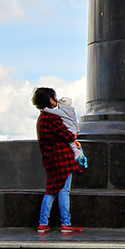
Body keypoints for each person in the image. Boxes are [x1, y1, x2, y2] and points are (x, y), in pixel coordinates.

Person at [33, 87, 81, 233]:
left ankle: (43, 223)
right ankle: (65, 223)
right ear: (50, 99)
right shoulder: (53, 118)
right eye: (54, 97)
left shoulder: (41, 118)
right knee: (64, 190)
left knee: (51, 190)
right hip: (62, 158)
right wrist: (74, 139)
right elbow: (67, 135)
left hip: (49, 159)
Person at [44, 95, 87, 169]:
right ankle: (79, 154)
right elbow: (75, 121)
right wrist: (77, 131)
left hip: (68, 130)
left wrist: (44, 109)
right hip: (73, 130)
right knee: (72, 144)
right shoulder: (72, 112)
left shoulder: (60, 112)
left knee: (70, 144)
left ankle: (77, 154)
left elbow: (51, 111)